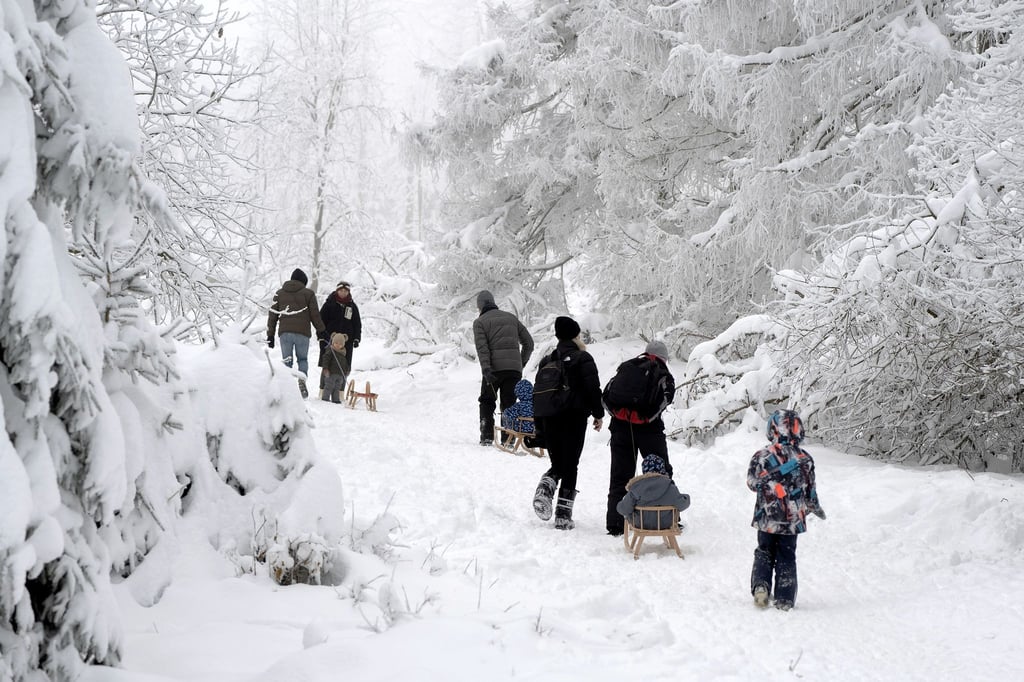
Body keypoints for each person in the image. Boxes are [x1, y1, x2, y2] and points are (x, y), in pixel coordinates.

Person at [747, 409, 826, 611]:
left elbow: (751, 483)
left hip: (767, 518)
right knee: (787, 556)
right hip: (793, 520)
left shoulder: (762, 456)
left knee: (764, 552)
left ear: (772, 429)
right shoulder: (805, 459)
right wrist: (813, 506)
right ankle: (785, 598)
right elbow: (811, 490)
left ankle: (761, 586)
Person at [531, 316, 603, 530]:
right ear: (575, 335)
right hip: (573, 416)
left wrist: (539, 424)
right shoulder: (583, 358)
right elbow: (592, 388)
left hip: (549, 417)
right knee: (571, 465)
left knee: (559, 464)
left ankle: (547, 485)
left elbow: (538, 394)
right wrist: (598, 414)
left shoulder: (547, 361)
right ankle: (563, 515)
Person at [602, 340, 676, 536]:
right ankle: (667, 519)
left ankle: (616, 524)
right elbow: (666, 399)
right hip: (649, 431)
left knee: (620, 475)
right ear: (664, 358)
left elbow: (606, 395)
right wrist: (644, 418)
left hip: (620, 428)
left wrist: (620, 416)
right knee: (660, 473)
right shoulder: (662, 373)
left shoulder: (628, 367)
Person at [472, 290, 534, 446]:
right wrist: (520, 363)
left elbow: (482, 348)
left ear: (480, 306)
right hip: (513, 370)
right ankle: (509, 438)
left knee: (487, 401)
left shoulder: (480, 322)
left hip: (492, 370)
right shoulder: (511, 318)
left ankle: (487, 436)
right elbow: (529, 344)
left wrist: (486, 368)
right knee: (509, 403)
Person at [267, 268, 326, 398]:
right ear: (303, 282)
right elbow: (315, 315)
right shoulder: (308, 294)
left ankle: (287, 387)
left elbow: (273, 315)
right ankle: (302, 381)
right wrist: (321, 331)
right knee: (302, 359)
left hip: (285, 333)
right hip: (303, 333)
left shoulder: (279, 293)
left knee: (287, 361)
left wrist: (270, 334)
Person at [616, 454, 691, 532]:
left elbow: (625, 509)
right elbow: (682, 504)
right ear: (662, 469)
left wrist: (619, 505)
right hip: (665, 524)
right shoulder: (670, 486)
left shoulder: (636, 487)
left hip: (640, 524)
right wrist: (686, 497)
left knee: (629, 511)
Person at [318, 281, 361, 392]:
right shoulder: (329, 304)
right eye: (341, 290)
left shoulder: (352, 306)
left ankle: (340, 391)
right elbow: (320, 320)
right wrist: (321, 335)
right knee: (327, 364)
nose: (343, 293)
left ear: (348, 292)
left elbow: (357, 323)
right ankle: (323, 389)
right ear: (337, 291)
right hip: (329, 340)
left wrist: (356, 338)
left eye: (345, 291)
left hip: (347, 342)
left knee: (344, 366)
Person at [319, 332, 350, 403]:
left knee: (337, 388)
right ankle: (325, 398)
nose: (338, 345)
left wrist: (346, 370)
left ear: (343, 345)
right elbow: (325, 360)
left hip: (339, 375)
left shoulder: (343, 353)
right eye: (336, 343)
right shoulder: (330, 351)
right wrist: (325, 368)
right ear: (333, 342)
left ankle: (335, 399)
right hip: (331, 373)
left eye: (340, 344)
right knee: (329, 386)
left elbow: (344, 364)